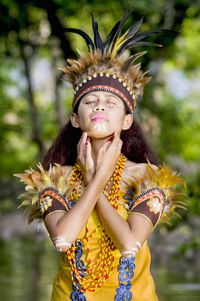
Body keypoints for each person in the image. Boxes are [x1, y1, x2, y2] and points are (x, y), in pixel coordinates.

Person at [15, 12, 185, 301]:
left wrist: (99, 177)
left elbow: (130, 243)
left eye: (111, 103)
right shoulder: (55, 179)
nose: (100, 107)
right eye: (90, 101)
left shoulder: (148, 178)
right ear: (75, 119)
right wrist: (96, 182)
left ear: (127, 121)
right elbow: (62, 239)